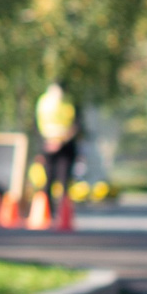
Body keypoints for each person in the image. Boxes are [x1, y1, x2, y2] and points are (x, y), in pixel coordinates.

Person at [36, 83, 81, 213]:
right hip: (47, 147)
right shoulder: (43, 103)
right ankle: (47, 212)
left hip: (66, 148)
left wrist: (62, 141)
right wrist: (46, 142)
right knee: (48, 179)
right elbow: (37, 125)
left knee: (64, 180)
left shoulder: (70, 104)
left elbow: (76, 125)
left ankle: (63, 212)